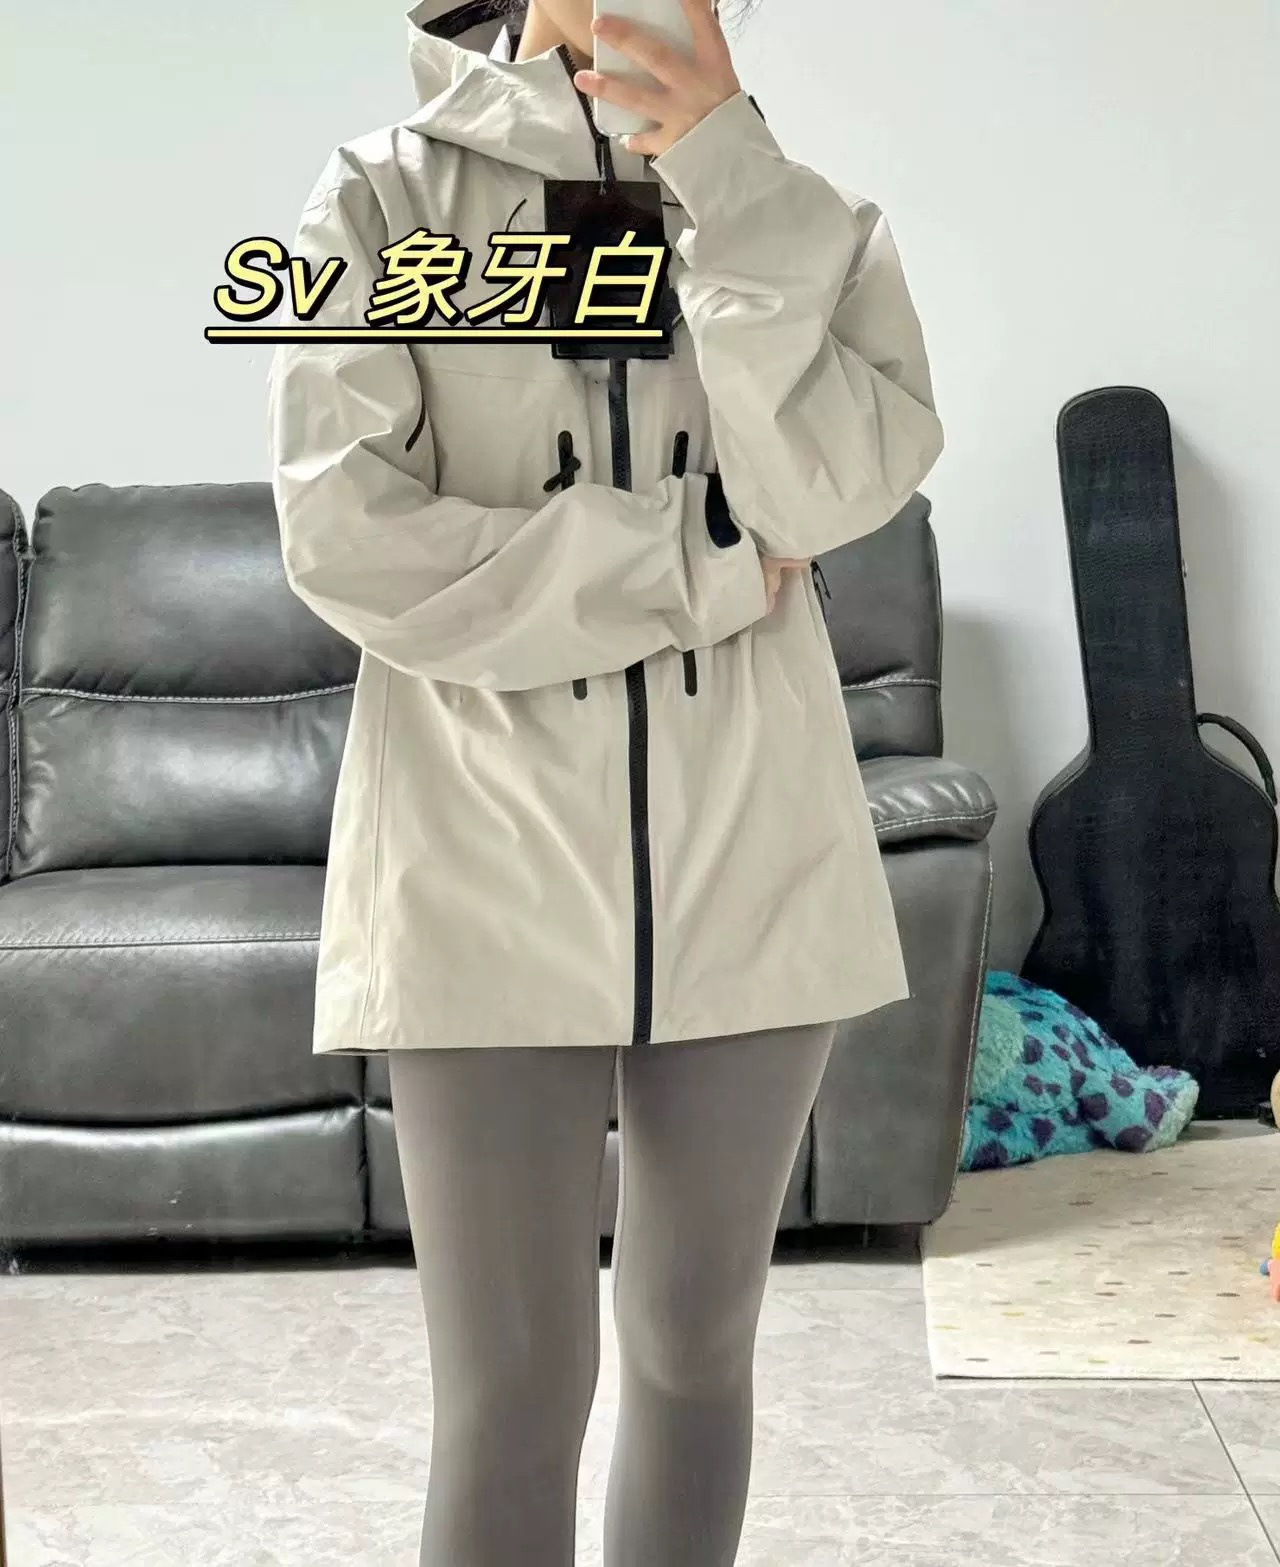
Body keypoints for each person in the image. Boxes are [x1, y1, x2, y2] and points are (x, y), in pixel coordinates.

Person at [266, 1, 943, 1561]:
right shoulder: (377, 200)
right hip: (476, 858)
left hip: (754, 848)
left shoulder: (797, 214)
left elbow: (838, 486)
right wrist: (690, 560)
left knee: (696, 1352)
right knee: (512, 1389)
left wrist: (723, 171)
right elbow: (350, 540)